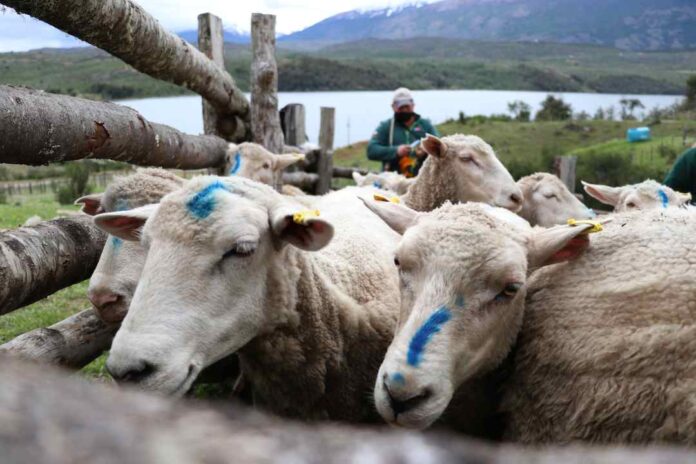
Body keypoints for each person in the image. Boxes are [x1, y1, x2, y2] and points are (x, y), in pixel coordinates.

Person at [367, 88, 439, 177]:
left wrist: (426, 149)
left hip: (421, 180)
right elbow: (371, 150)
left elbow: (439, 146)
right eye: (401, 107)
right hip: (392, 181)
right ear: (393, 107)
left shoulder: (425, 125)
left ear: (413, 105)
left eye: (407, 106)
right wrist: (396, 151)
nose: (404, 110)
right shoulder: (386, 126)